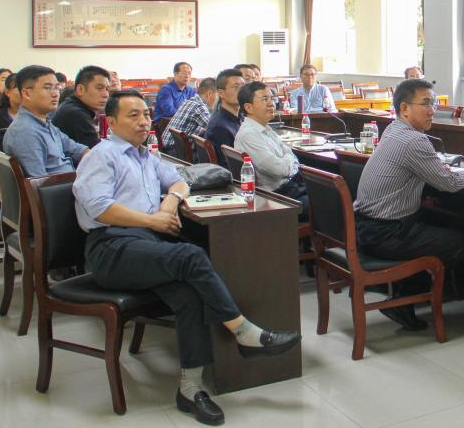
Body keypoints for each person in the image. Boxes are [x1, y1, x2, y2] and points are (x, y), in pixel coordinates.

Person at [73, 90, 300, 426]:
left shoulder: (145, 155)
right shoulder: (103, 156)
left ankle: (190, 389)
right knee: (191, 256)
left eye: (145, 114)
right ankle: (244, 332)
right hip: (111, 248)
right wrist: (152, 221)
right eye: (133, 115)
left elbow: (179, 181)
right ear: (112, 122)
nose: (143, 121)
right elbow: (99, 208)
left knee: (190, 296)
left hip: (145, 243)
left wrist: (168, 204)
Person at [353, 79, 464, 330]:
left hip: (367, 228)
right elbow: (449, 183)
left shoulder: (393, 129)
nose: (432, 111)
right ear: (405, 108)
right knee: (460, 240)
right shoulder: (413, 141)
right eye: (426, 104)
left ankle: (412, 297)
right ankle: (405, 300)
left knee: (440, 220)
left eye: (434, 104)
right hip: (386, 234)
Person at [233, 82, 308, 215]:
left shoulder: (264, 128)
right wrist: (289, 161)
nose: (271, 103)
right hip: (277, 197)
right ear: (248, 107)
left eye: (272, 98)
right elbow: (279, 169)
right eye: (264, 99)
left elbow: (289, 154)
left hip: (289, 188)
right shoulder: (249, 135)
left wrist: (288, 160)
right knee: (333, 202)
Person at [3, 65, 89, 177]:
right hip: (63, 186)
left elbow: (77, 150)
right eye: (47, 88)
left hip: (70, 181)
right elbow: (39, 182)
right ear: (26, 93)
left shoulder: (44, 123)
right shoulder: (26, 132)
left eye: (57, 88)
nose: (55, 94)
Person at [53, 66, 111, 148]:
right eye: (99, 88)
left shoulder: (71, 105)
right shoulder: (75, 113)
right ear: (80, 89)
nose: (106, 95)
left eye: (107, 89)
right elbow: (97, 152)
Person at [162, 78, 218, 152]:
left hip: (165, 149)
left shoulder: (189, 101)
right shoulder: (199, 107)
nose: (218, 100)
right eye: (218, 96)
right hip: (175, 152)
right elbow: (214, 129)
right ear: (209, 94)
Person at [205, 68, 246, 167]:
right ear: (221, 93)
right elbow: (231, 166)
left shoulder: (239, 116)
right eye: (236, 87)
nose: (242, 91)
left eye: (243, 86)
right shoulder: (220, 127)